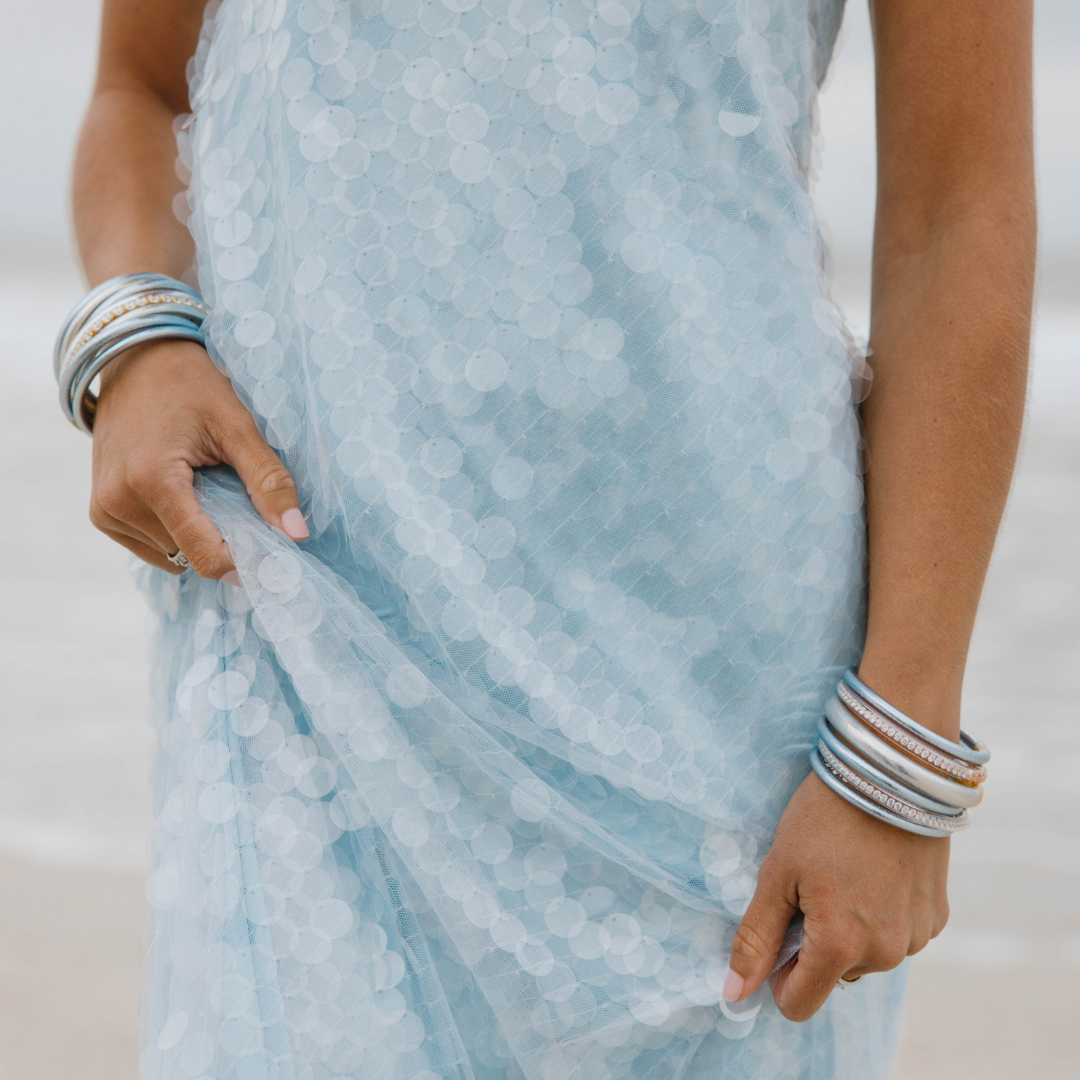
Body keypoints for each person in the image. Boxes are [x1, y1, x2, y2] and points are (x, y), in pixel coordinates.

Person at [65, 0, 1033, 1076]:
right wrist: (139, 340)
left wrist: (896, 753)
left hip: (722, 726)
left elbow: (959, 211)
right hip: (305, 640)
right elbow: (143, 91)